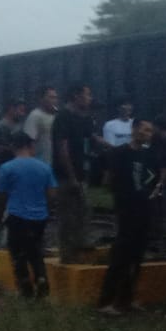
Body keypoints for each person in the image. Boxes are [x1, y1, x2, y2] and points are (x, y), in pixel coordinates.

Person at [98, 121, 161, 315]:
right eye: (143, 129)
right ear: (134, 130)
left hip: (144, 207)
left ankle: (127, 299)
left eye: (150, 130)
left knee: (137, 255)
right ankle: (105, 301)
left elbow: (153, 178)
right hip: (127, 208)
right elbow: (108, 180)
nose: (147, 133)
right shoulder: (119, 153)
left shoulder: (148, 154)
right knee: (121, 255)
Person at [0, 132, 57, 298]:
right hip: (39, 218)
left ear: (13, 146)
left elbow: (2, 196)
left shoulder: (6, 168)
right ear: (30, 146)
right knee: (36, 251)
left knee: (18, 253)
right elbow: (51, 194)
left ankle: (25, 286)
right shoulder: (44, 167)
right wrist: (46, 210)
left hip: (17, 217)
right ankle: (42, 278)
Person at [53, 83, 96, 262]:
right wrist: (71, 177)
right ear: (76, 96)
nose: (90, 98)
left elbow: (92, 137)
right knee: (68, 217)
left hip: (81, 173)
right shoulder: (63, 117)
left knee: (83, 213)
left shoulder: (84, 118)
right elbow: (62, 148)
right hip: (66, 176)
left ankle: (81, 251)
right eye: (87, 94)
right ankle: (68, 257)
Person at [22, 86, 58, 176]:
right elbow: (28, 142)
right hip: (41, 164)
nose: (54, 100)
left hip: (56, 164)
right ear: (41, 99)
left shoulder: (57, 115)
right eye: (51, 97)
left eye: (55, 97)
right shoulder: (35, 116)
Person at [0, 99, 27, 173]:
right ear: (11, 109)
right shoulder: (1, 125)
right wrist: (12, 148)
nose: (23, 114)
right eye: (21, 110)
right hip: (6, 162)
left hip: (19, 163)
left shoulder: (20, 124)